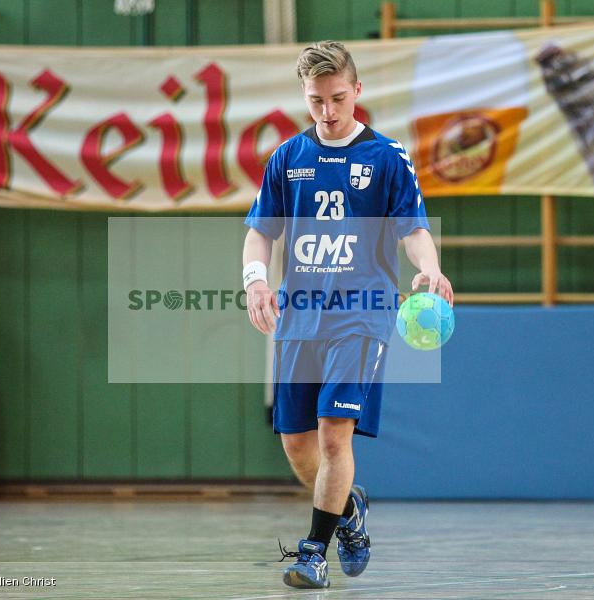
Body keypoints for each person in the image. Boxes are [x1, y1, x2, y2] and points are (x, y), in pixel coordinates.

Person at [242, 40, 453, 589]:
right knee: (296, 443)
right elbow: (259, 235)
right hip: (300, 318)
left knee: (336, 434)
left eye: (338, 98)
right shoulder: (288, 158)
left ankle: (314, 552)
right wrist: (256, 281)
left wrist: (429, 268)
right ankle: (349, 509)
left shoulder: (386, 157)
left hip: (363, 314)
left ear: (357, 91)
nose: (328, 111)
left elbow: (413, 230)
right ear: (304, 97)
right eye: (316, 100)